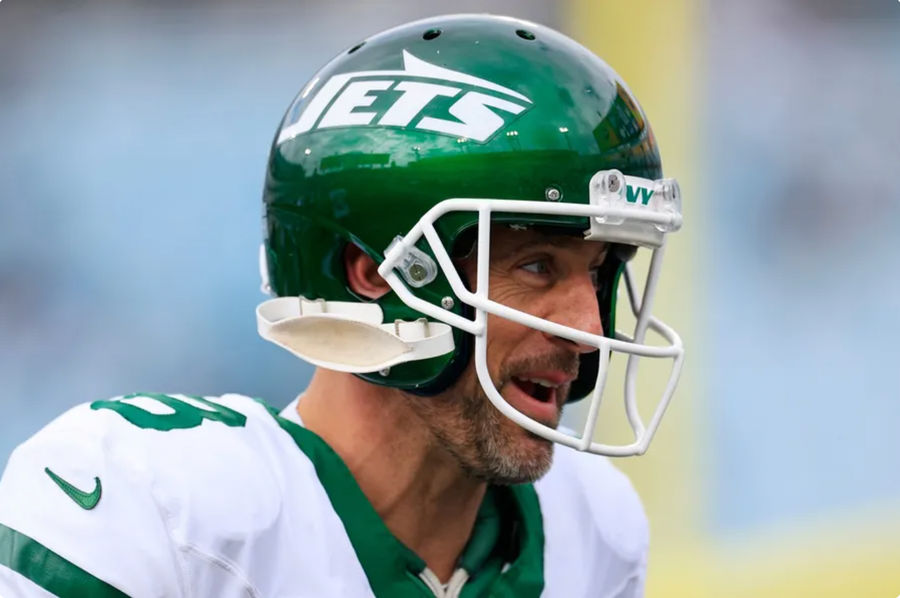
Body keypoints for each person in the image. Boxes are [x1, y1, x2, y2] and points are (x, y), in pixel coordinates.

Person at [0, 14, 684, 598]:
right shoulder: (157, 504)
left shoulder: (593, 530)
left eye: (597, 274)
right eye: (536, 266)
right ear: (372, 273)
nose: (589, 330)